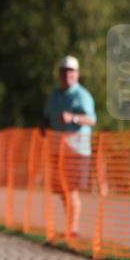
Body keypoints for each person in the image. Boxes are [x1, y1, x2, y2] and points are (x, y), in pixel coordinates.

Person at [41, 55, 96, 238]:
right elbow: (47, 116)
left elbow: (92, 120)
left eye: (71, 71)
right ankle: (69, 226)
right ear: (59, 74)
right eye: (64, 71)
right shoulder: (55, 96)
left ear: (77, 74)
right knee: (62, 190)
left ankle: (73, 229)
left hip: (77, 150)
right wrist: (43, 125)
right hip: (58, 150)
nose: (68, 75)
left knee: (71, 189)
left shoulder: (82, 96)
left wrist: (73, 118)